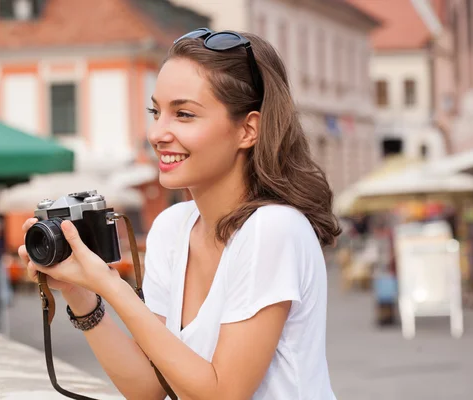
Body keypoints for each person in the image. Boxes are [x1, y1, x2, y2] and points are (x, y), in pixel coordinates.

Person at [19, 28, 341, 400]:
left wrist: (110, 285)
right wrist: (79, 292)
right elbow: (149, 387)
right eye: (156, 111)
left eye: (184, 114)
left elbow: (224, 394)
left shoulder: (273, 229)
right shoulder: (173, 229)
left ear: (248, 130)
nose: (157, 133)